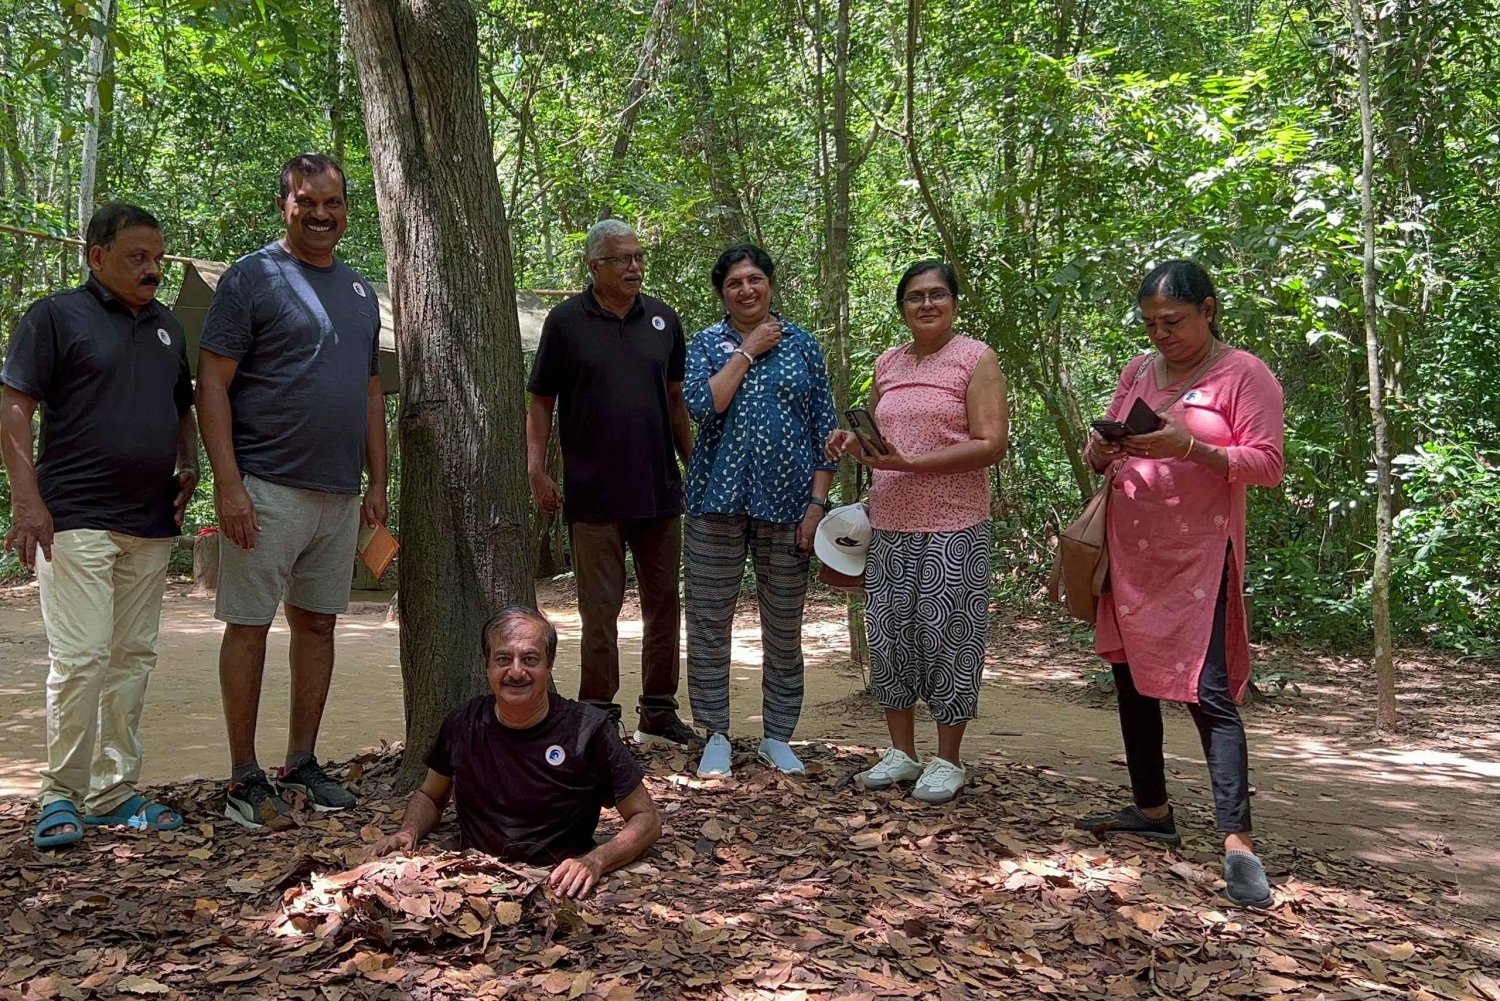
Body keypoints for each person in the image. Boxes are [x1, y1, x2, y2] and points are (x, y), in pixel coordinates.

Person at [1074, 259, 1284, 909]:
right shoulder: (1138, 371)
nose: (1161, 334)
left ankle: (1238, 842)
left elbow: (1267, 463)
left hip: (1197, 557)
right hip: (1131, 551)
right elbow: (1099, 445)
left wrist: (1186, 447)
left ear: (1209, 310)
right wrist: (1102, 449)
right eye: (1151, 323)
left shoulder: (1243, 374)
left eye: (1174, 321)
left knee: (1208, 690)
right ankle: (1152, 807)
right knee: (1131, 679)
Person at [196, 153, 388, 828]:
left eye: (332, 203)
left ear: (345, 211)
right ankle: (244, 773)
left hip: (338, 494)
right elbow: (211, 381)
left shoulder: (362, 294)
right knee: (248, 626)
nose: (321, 214)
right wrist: (228, 483)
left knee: (318, 624)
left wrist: (379, 482)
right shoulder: (253, 278)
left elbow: (369, 394)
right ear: (284, 205)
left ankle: (301, 759)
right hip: (265, 487)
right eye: (307, 201)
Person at [1, 203, 196, 847]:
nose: (153, 270)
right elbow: (14, 407)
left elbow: (183, 407)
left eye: (159, 259)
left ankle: (115, 792)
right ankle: (60, 795)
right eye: (138, 258)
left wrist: (190, 464)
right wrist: (27, 500)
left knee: (131, 658)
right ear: (96, 257)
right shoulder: (56, 317)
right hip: (75, 517)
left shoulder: (168, 328)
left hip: (150, 521)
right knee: (81, 657)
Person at [827, 260, 1008, 804]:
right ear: (902, 307)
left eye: (937, 295)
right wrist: (856, 444)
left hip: (954, 524)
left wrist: (914, 464)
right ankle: (901, 753)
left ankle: (947, 759)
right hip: (889, 523)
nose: (926, 304)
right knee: (891, 641)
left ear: (954, 302)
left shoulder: (977, 359)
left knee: (950, 641)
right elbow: (886, 444)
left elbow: (991, 443)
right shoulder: (888, 363)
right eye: (914, 297)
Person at [526, 220, 698, 748]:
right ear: (594, 266)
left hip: (659, 494)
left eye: (638, 257)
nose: (634, 267)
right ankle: (598, 713)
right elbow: (540, 401)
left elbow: (674, 402)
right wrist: (536, 468)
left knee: (663, 605)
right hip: (593, 496)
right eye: (622, 259)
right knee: (598, 612)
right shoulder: (566, 322)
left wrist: (696, 466)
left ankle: (658, 710)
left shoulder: (664, 321)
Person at [371, 606, 662, 898]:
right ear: (487, 667)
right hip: (472, 883)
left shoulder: (587, 731)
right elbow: (430, 797)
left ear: (549, 666)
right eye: (503, 659)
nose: (516, 671)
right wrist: (409, 831)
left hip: (557, 886)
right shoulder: (463, 724)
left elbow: (646, 819)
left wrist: (595, 862)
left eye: (530, 659)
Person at [680, 245, 839, 778]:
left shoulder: (803, 346)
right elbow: (703, 406)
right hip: (714, 505)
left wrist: (816, 506)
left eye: (754, 280)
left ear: (770, 283)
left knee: (784, 625)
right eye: (733, 284)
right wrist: (745, 350)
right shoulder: (708, 343)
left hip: (789, 507)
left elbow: (825, 431)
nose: (746, 290)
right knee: (707, 621)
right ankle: (717, 733)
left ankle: (777, 735)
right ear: (722, 294)